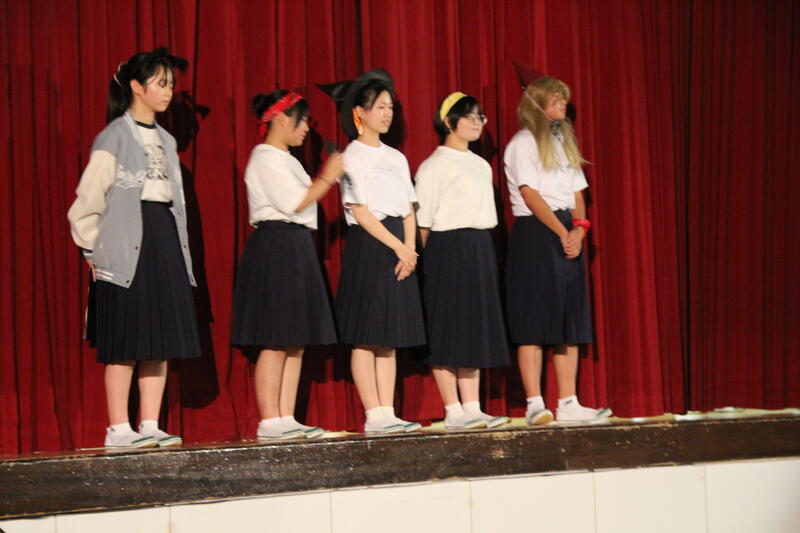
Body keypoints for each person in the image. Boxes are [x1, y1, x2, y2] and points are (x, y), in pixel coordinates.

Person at [67, 47, 200, 448]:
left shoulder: (167, 140)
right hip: (125, 241)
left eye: (171, 84)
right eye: (161, 83)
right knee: (125, 339)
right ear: (137, 87)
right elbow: (88, 199)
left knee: (160, 337)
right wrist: (92, 249)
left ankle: (150, 423)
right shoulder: (113, 136)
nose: (168, 91)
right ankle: (118, 427)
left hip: (163, 235)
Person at [231, 89, 343, 440]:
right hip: (276, 245)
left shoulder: (289, 159)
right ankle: (269, 420)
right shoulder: (264, 157)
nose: (307, 127)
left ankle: (286, 416)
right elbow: (295, 201)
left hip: (297, 245)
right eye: (303, 120)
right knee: (275, 337)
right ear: (281, 119)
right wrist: (328, 176)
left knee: (296, 339)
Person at [320, 69, 425, 434]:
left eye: (390, 107)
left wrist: (410, 248)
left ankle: (389, 411)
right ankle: (373, 412)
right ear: (359, 113)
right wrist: (398, 247)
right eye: (380, 106)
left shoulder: (397, 158)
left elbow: (409, 207)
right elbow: (361, 212)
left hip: (399, 244)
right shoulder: (352, 156)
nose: (387, 113)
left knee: (389, 336)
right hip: (371, 244)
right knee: (367, 335)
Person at [504, 75, 612, 424]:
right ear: (537, 103)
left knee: (569, 319)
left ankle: (569, 402)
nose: (563, 104)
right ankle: (535, 403)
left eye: (564, 98)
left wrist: (579, 229)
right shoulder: (523, 142)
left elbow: (578, 192)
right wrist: (562, 231)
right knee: (533, 318)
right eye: (555, 98)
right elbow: (530, 193)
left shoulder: (563, 140)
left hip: (567, 227)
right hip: (537, 230)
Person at [415, 92, 510, 430]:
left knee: (474, 326)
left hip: (479, 247)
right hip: (446, 248)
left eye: (479, 116)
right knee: (447, 326)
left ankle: (473, 406)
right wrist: (421, 263)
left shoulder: (481, 164)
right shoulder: (434, 166)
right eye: (468, 116)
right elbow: (423, 221)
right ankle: (453, 409)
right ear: (448, 122)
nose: (476, 122)